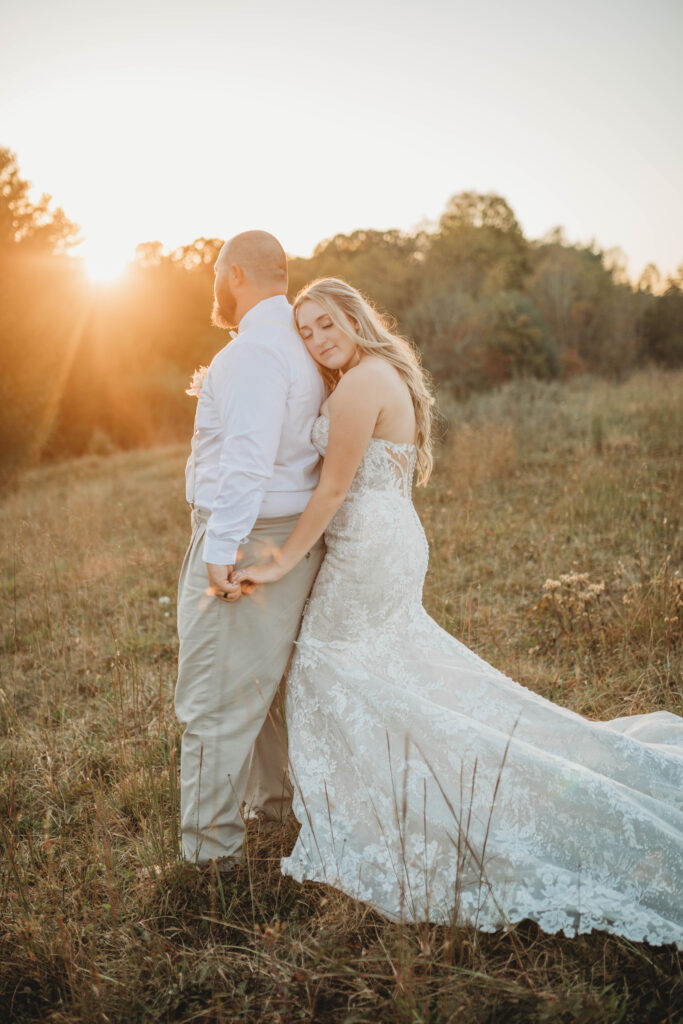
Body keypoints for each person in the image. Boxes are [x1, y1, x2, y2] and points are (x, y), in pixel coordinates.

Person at [231, 277, 683, 946]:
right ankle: (398, 788)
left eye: (326, 323)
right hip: (386, 539)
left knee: (323, 669)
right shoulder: (378, 371)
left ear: (353, 317)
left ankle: (388, 808)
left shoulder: (359, 385)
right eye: (305, 331)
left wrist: (276, 562)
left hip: (369, 549)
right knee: (392, 672)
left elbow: (329, 492)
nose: (317, 339)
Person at [174, 231, 325, 869]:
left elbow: (247, 459)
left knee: (213, 692)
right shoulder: (295, 343)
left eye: (215, 273)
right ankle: (275, 806)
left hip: (249, 534)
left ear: (233, 274)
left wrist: (222, 543)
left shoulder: (256, 350)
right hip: (283, 530)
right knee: (259, 682)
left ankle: (210, 855)